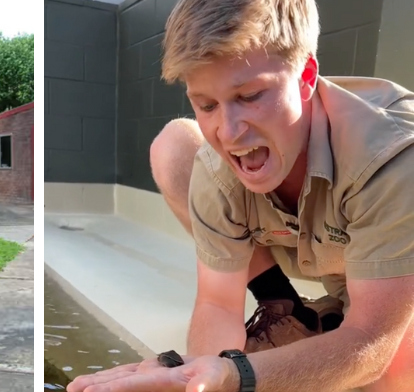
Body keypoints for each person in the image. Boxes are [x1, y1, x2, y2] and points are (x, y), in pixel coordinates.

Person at [67, 0, 414, 391]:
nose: (228, 133)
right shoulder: (216, 168)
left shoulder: (392, 160)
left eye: (250, 96)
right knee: (176, 147)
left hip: (401, 269)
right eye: (207, 105)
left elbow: (371, 340)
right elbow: (218, 304)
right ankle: (291, 312)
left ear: (306, 76)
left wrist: (240, 376)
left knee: (395, 372)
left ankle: (333, 323)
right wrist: (201, 379)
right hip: (331, 259)